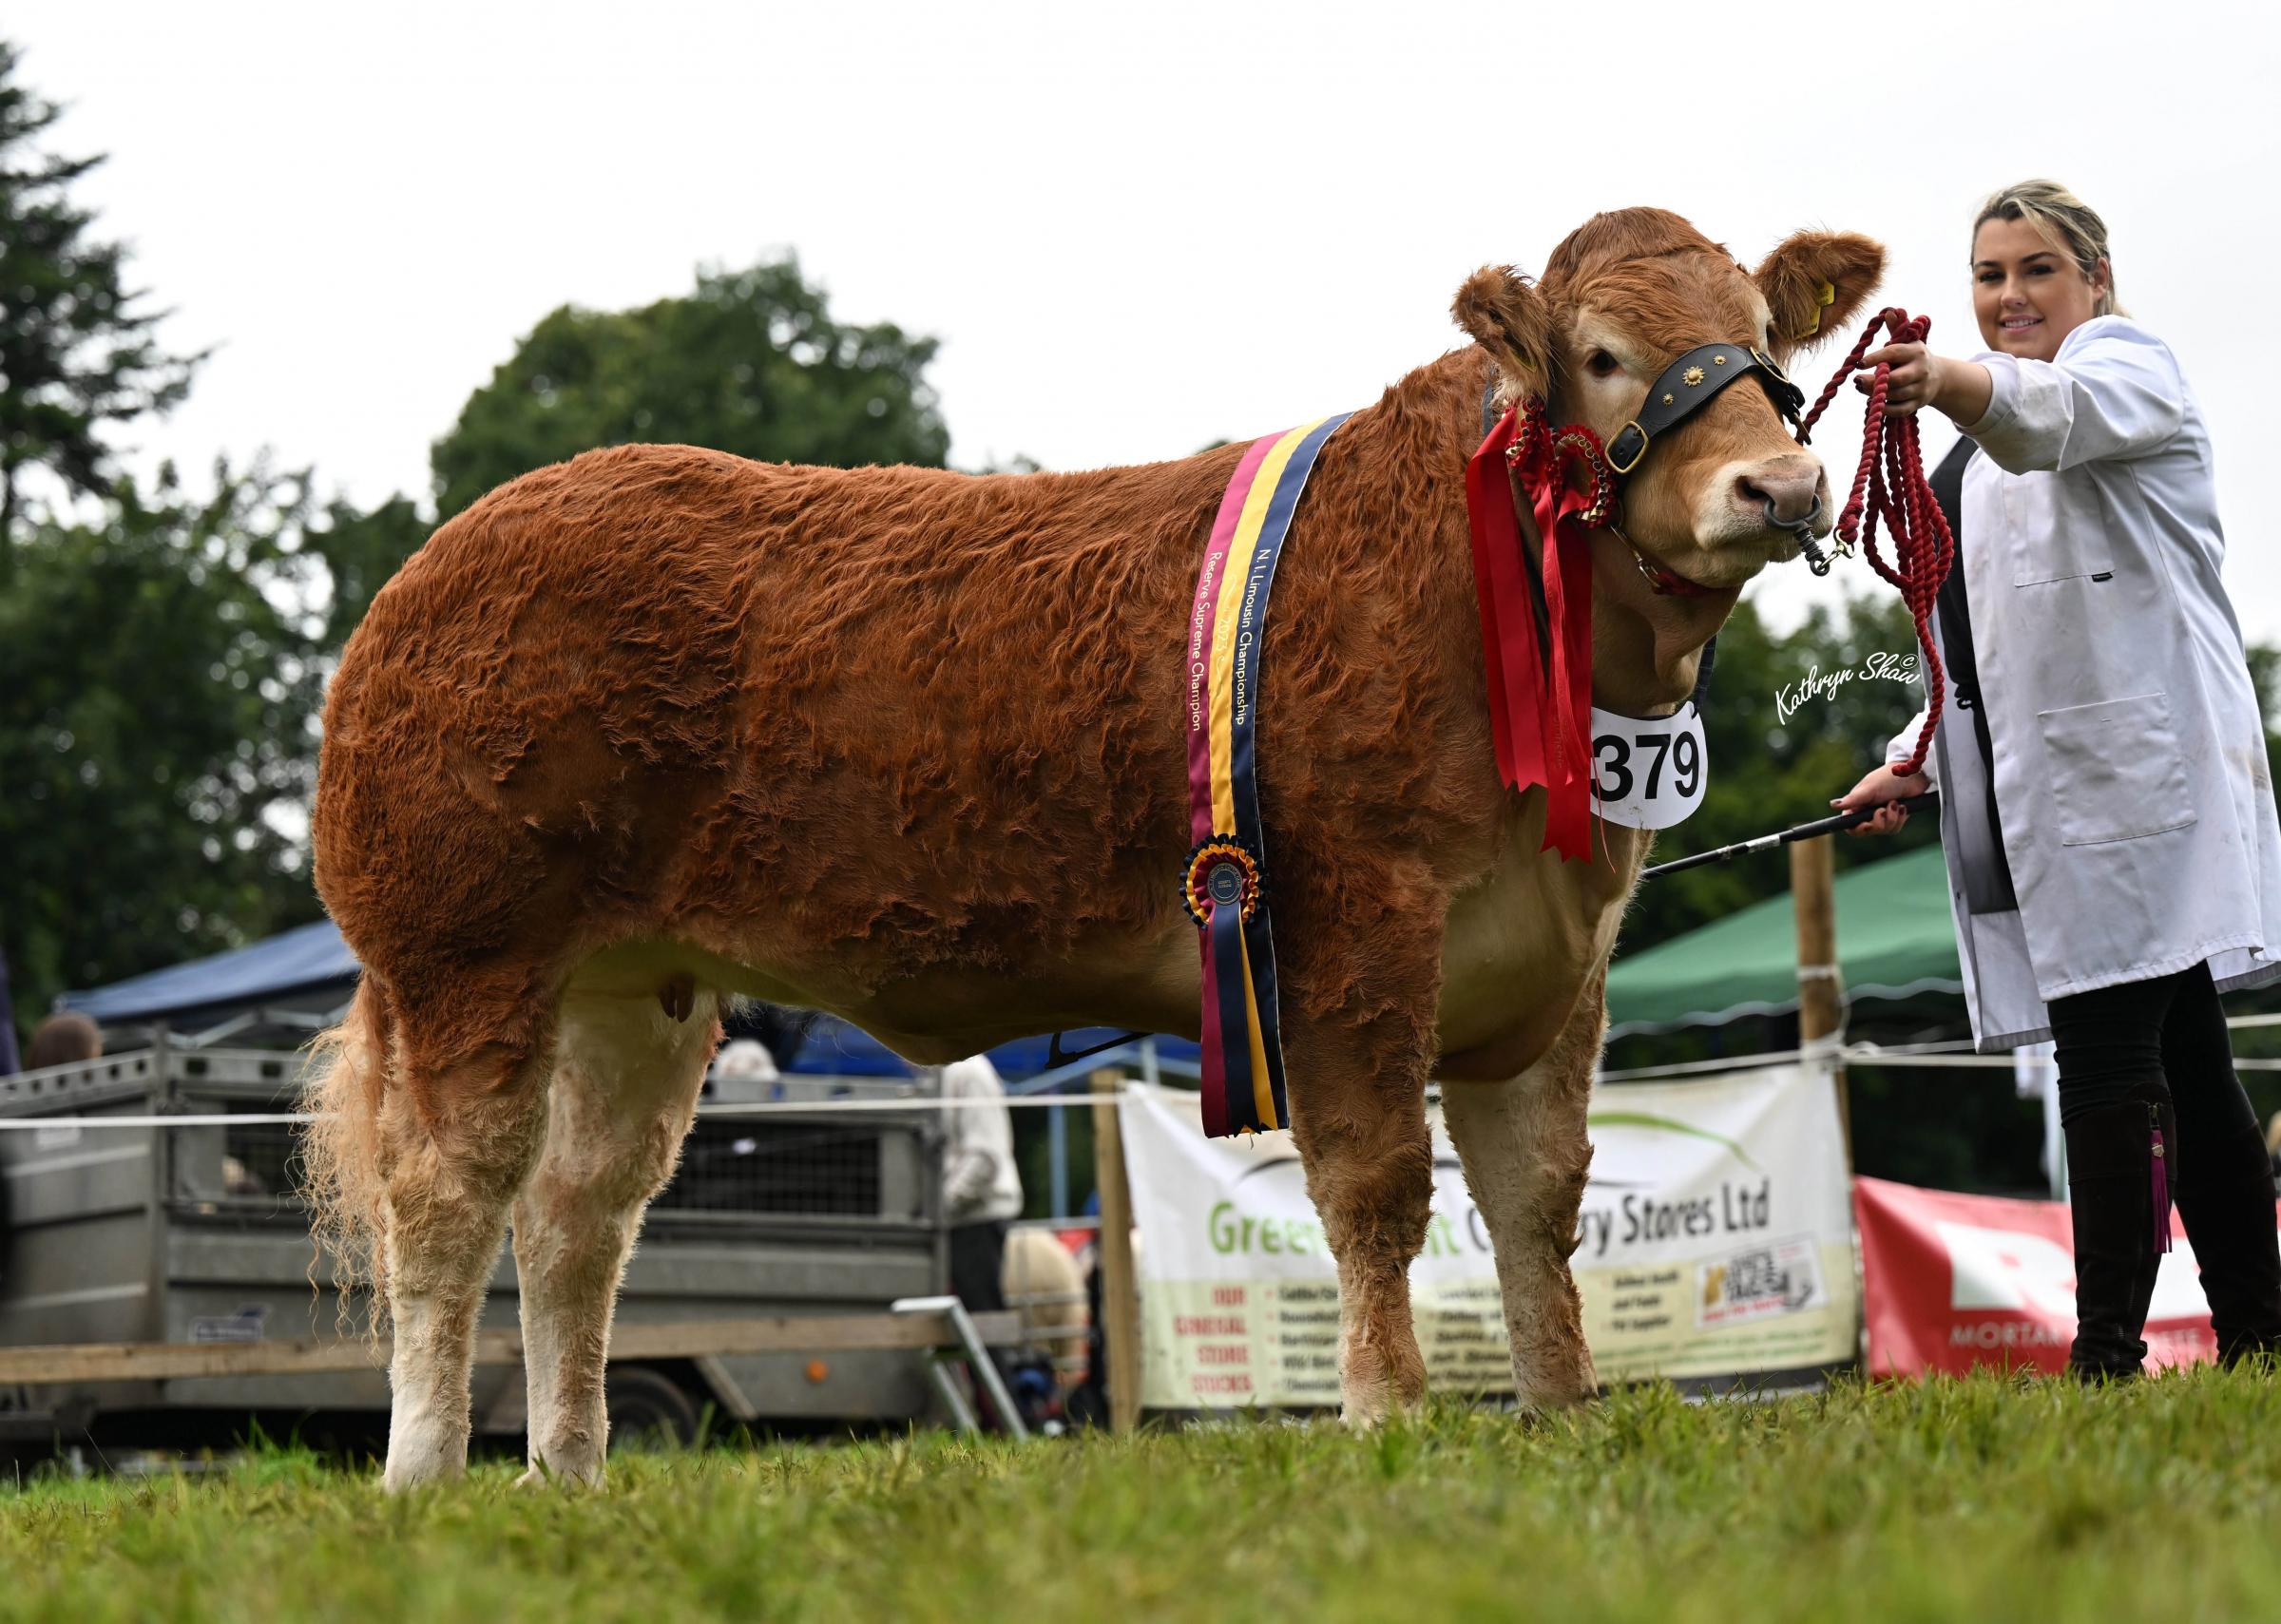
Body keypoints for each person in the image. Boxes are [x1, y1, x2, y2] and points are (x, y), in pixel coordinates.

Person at [1835, 181, 2281, 1379]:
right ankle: (2259, 1336)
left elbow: (2052, 415)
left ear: (2091, 277)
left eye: (2037, 270)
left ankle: (2104, 1359)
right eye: (1990, 276)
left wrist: (1954, 386)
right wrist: (1913, 759)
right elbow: (1975, 653)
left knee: (2104, 1057)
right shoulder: (1966, 473)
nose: (2011, 295)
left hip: (2149, 778)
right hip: (2063, 793)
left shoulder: (2132, 370)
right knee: (2186, 1057)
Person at [937, 1053, 1024, 1315]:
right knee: (972, 1323)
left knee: (984, 1322)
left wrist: (940, 1206)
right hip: (963, 1221)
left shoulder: (968, 1072)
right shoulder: (949, 1073)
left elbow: (984, 1157)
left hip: (976, 1220)